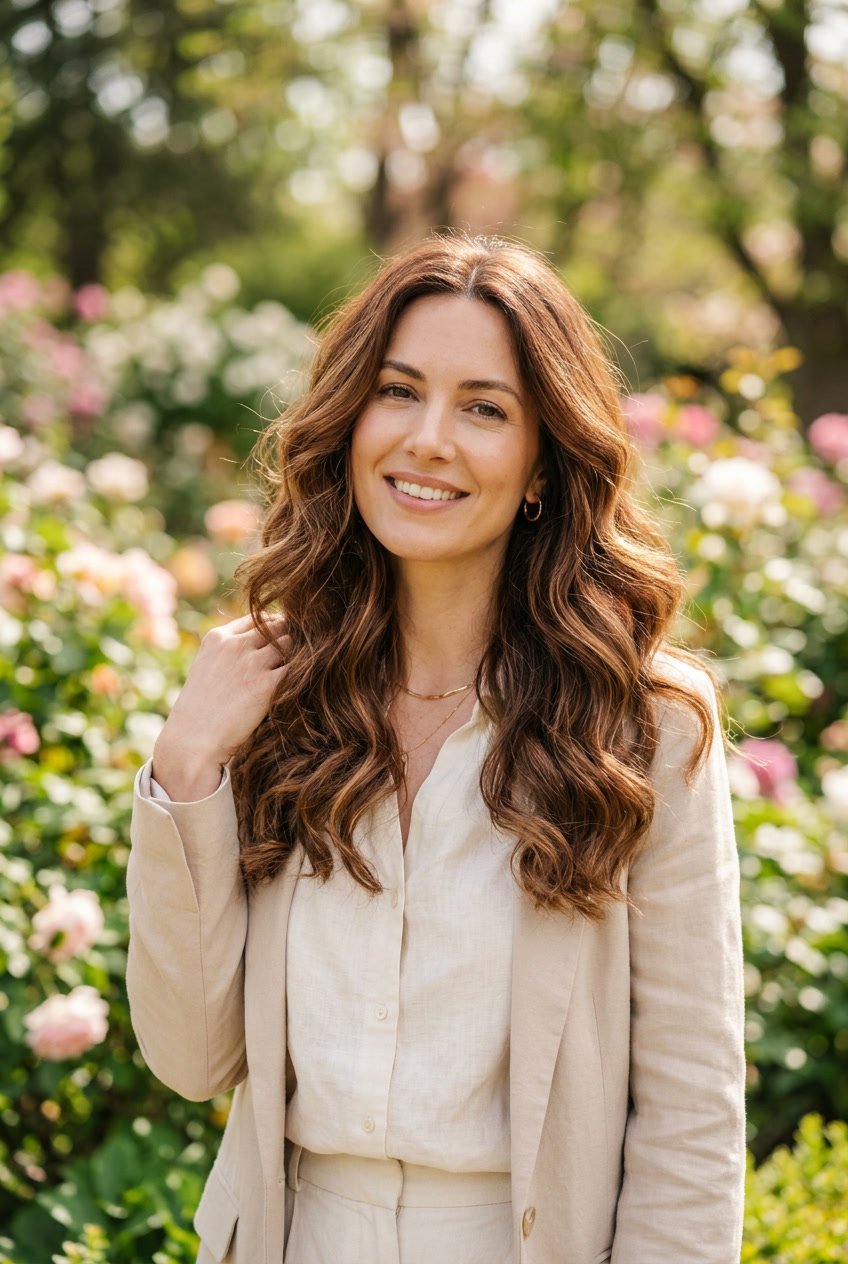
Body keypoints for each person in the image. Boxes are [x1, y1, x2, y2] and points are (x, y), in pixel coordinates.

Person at [125, 232, 747, 1264]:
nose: (426, 439)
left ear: (543, 461)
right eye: (398, 390)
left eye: (484, 407)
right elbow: (195, 1059)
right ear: (351, 416)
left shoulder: (643, 723)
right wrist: (187, 770)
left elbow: (689, 1109)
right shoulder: (273, 700)